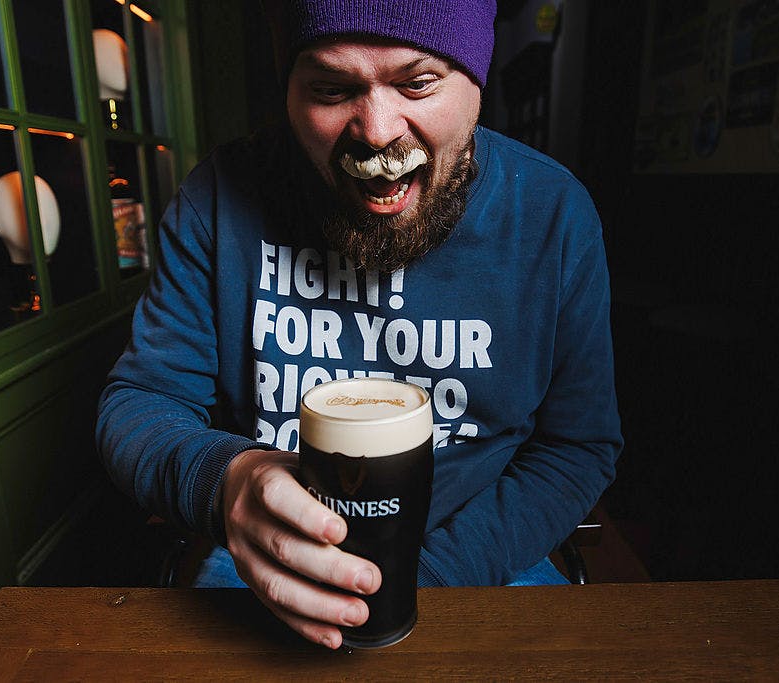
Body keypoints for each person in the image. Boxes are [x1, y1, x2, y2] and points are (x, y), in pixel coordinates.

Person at [96, 0, 622, 650]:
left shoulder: (553, 214)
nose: (376, 131)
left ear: (477, 82)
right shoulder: (217, 200)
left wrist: (428, 578)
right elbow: (138, 403)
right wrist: (226, 480)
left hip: (487, 552)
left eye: (417, 82)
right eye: (331, 88)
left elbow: (578, 446)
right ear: (288, 89)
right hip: (269, 557)